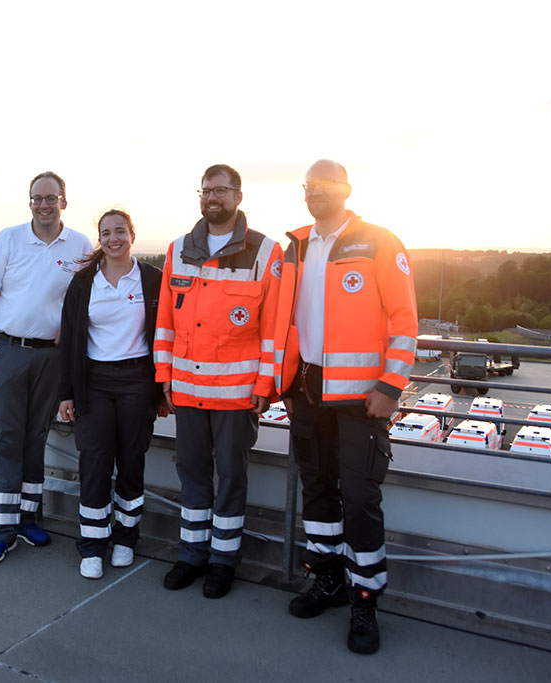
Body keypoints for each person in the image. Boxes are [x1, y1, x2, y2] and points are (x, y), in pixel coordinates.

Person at [273, 159, 418, 654]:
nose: (316, 192)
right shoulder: (295, 247)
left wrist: (391, 385)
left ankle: (364, 598)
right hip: (307, 390)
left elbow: (404, 320)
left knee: (358, 498)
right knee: (317, 491)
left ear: (347, 189)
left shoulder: (378, 242)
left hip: (362, 399)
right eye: (309, 185)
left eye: (326, 184)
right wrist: (280, 380)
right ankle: (328, 577)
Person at [153, 164, 282, 598]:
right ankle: (191, 554)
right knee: (191, 473)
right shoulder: (178, 250)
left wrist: (264, 387)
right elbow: (165, 322)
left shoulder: (265, 252)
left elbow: (273, 330)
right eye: (206, 190)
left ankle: (223, 560)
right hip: (187, 391)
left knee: (230, 477)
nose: (212, 198)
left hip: (236, 395)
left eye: (221, 190)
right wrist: (164, 376)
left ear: (238, 197)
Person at [0, 171, 92, 564]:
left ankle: (27, 519)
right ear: (30, 203)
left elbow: (85, 300)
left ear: (63, 202)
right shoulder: (9, 239)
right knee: (7, 437)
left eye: (50, 198)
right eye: (37, 198)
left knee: (36, 436)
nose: (43, 205)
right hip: (9, 352)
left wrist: (68, 333)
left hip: (50, 358)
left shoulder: (79, 244)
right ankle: (1, 531)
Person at [57, 209, 165, 579]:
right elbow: (69, 341)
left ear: (132, 235)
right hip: (95, 382)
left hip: (138, 380)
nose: (113, 239)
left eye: (120, 231)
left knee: (132, 460)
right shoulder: (84, 282)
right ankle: (92, 543)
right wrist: (66, 393)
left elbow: (166, 334)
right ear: (99, 239)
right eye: (106, 233)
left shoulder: (152, 279)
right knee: (95, 462)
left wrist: (162, 390)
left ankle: (126, 538)